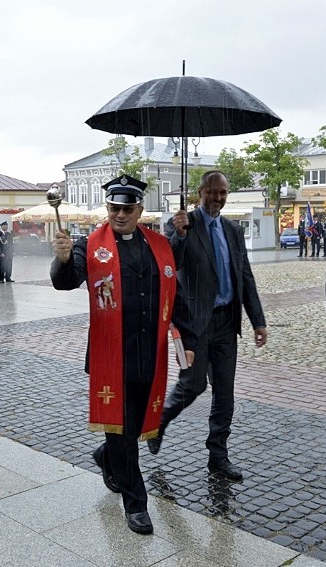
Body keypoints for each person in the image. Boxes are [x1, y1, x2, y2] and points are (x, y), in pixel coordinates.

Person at [51, 174, 195, 535]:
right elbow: (66, 280)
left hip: (151, 353)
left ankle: (106, 457)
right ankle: (137, 505)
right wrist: (64, 259)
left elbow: (174, 296)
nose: (119, 214)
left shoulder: (159, 245)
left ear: (139, 210)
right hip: (111, 356)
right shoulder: (90, 244)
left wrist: (187, 340)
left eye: (126, 209)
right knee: (124, 430)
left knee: (129, 429)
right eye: (113, 208)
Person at [147, 170, 267, 482]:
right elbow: (170, 265)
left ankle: (218, 455)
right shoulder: (185, 224)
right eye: (211, 192)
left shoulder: (232, 230)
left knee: (225, 392)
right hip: (195, 323)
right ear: (200, 193)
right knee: (194, 384)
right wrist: (181, 234)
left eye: (222, 193)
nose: (216, 198)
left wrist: (258, 321)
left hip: (227, 323)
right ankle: (159, 421)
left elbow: (245, 276)